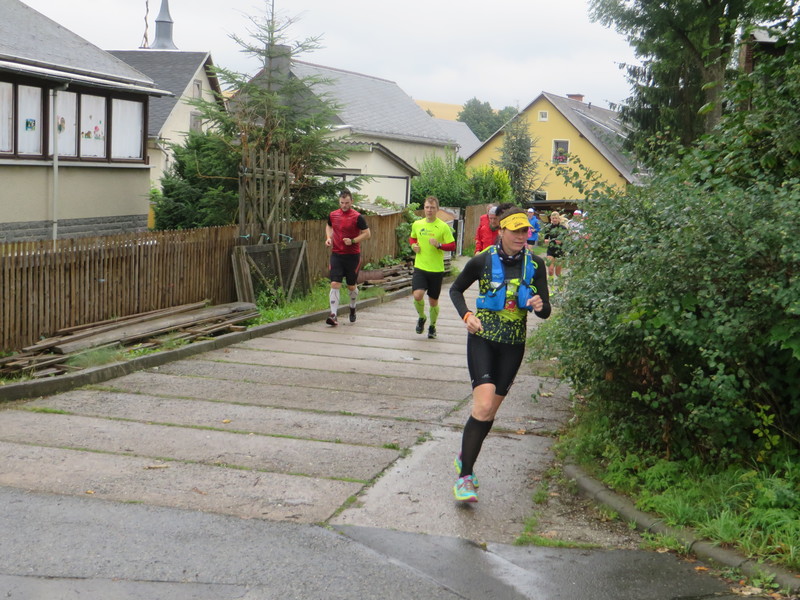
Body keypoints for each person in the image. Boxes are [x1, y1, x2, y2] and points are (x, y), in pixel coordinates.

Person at [449, 204, 551, 502]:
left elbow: (545, 310)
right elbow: (455, 290)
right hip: (483, 340)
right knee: (482, 407)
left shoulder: (536, 265)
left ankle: (465, 456)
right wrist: (467, 315)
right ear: (502, 230)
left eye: (525, 231)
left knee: (489, 412)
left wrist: (540, 305)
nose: (521, 236)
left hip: (513, 345)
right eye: (516, 230)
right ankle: (464, 478)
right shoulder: (482, 260)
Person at [409, 196, 456, 339]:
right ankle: (422, 317)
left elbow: (452, 245)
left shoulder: (443, 226)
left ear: (437, 209)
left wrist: (439, 245)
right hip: (420, 267)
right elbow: (413, 238)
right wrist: (413, 246)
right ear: (424, 208)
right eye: (427, 207)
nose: (429, 210)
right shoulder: (417, 224)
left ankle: (432, 326)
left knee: (433, 301)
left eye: (432, 208)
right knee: (417, 295)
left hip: (436, 269)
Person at [324, 189, 371, 326]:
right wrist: (328, 238)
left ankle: (352, 306)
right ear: (339, 202)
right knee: (335, 283)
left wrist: (353, 240)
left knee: (351, 286)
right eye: (342, 203)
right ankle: (333, 315)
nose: (344, 205)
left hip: (352, 256)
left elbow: (367, 234)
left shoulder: (357, 217)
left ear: (352, 202)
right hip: (337, 254)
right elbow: (329, 226)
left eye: (347, 203)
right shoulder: (333, 215)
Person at [542, 210, 568, 278]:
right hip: (551, 250)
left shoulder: (563, 228)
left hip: (560, 251)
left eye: (556, 218)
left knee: (558, 273)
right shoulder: (548, 228)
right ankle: (551, 284)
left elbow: (567, 240)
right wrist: (546, 241)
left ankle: (561, 283)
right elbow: (545, 238)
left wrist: (561, 241)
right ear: (551, 218)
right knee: (550, 271)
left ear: (559, 219)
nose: (554, 220)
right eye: (553, 218)